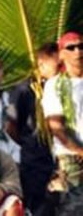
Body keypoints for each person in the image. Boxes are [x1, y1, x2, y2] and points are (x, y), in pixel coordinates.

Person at [7, 43, 58, 215]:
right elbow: (11, 126)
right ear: (42, 64)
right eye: (57, 65)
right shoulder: (24, 90)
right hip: (35, 161)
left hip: (61, 160)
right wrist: (30, 144)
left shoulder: (64, 88)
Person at [42, 32, 83, 215]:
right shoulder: (55, 85)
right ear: (61, 54)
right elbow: (56, 128)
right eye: (71, 47)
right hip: (72, 160)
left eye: (81, 46)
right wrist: (80, 151)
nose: (78, 51)